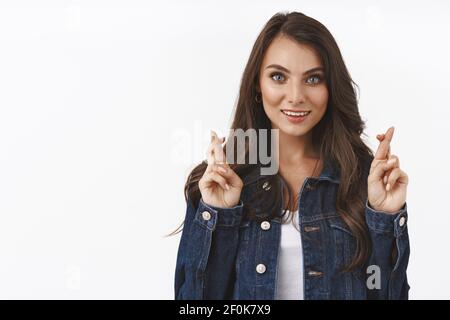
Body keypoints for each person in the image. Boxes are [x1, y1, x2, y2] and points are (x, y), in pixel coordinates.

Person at [173, 11, 410, 300]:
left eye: (313, 78)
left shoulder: (362, 180)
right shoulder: (219, 181)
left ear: (331, 88)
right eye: (278, 76)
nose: (296, 95)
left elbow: (386, 293)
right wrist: (220, 215)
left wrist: (384, 218)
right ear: (257, 86)